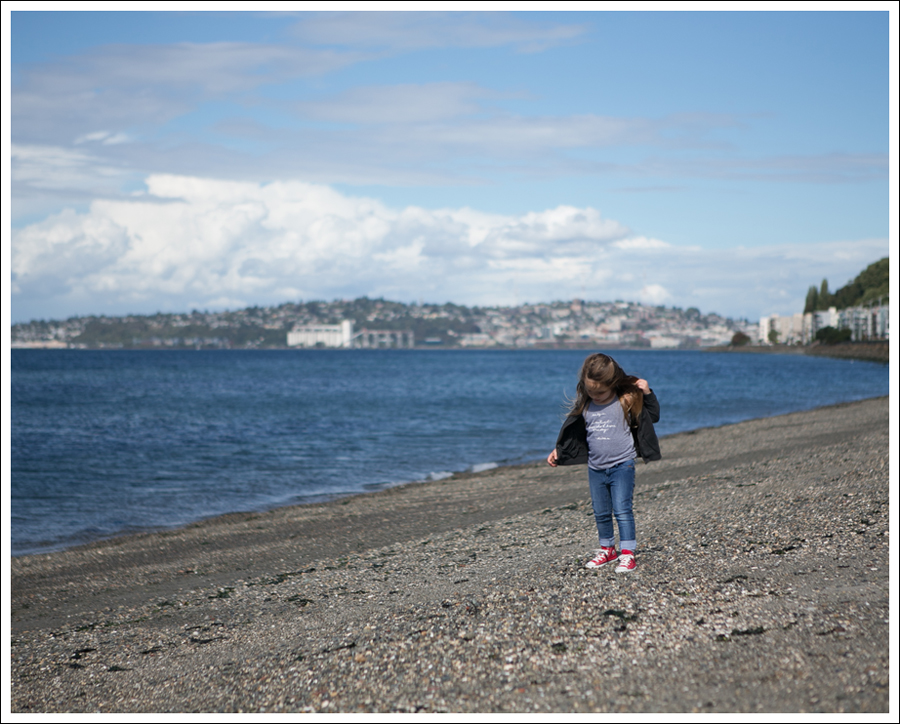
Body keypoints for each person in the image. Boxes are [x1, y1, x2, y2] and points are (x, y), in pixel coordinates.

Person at [547, 353, 660, 572]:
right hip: (596, 468)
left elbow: (653, 416)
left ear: (613, 384)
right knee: (600, 511)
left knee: (622, 510)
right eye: (591, 391)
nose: (595, 396)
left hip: (622, 465)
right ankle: (607, 550)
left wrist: (647, 393)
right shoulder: (587, 405)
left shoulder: (625, 400)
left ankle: (627, 554)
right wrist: (559, 450)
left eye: (600, 392)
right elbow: (575, 433)